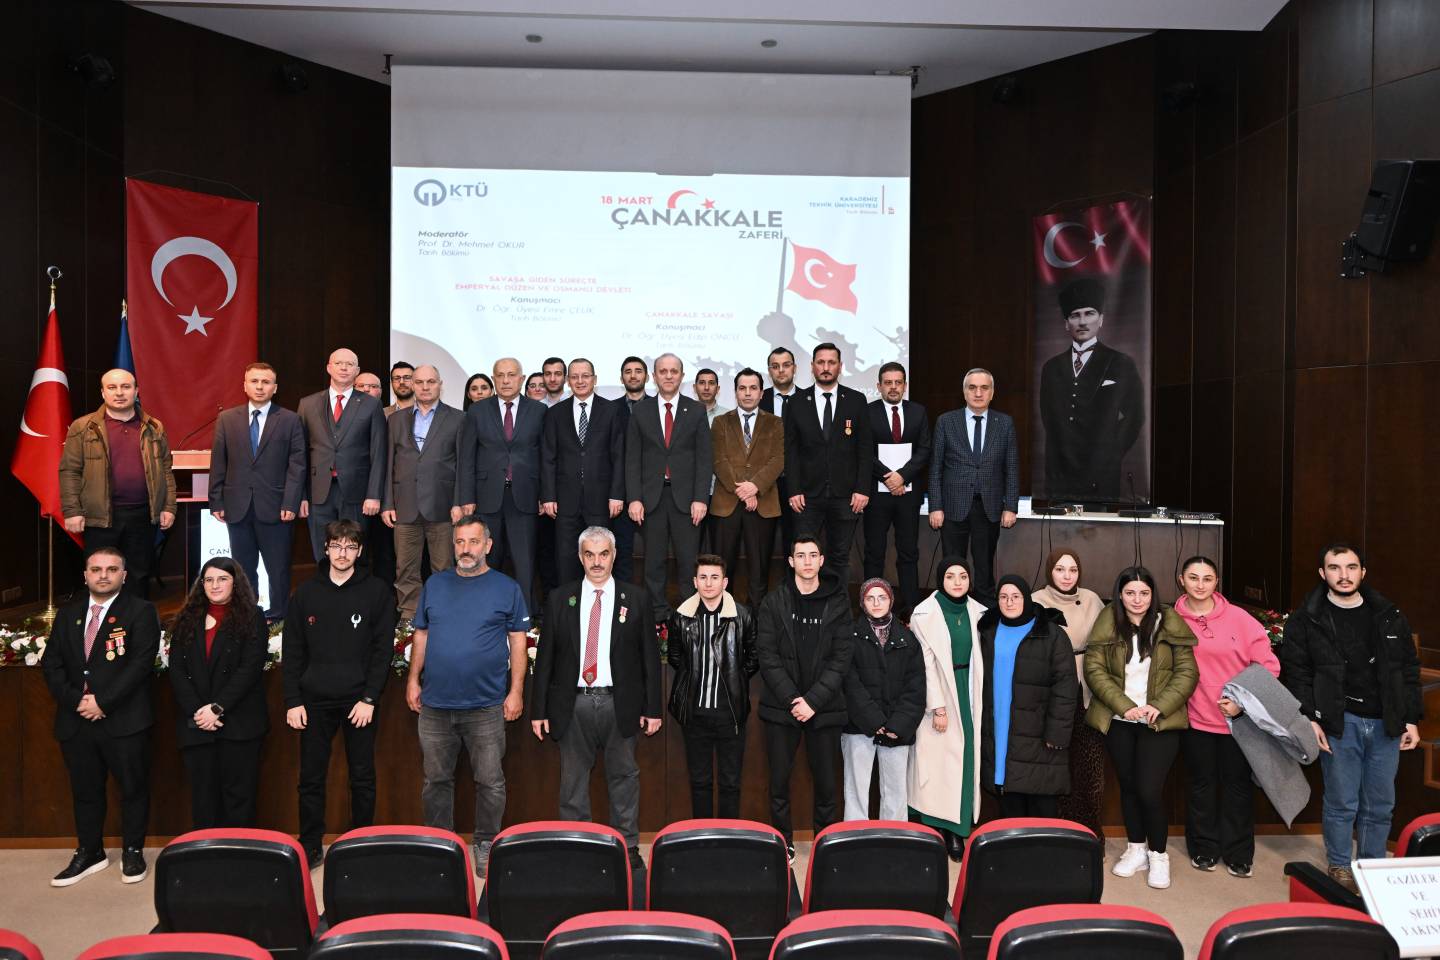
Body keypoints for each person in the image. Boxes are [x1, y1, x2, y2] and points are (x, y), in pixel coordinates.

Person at [1281, 543, 1423, 893]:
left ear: (1363, 572)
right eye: (1335, 568)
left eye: (1351, 567)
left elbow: (1407, 669)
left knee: (1380, 803)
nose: (1343, 575)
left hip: (1386, 722)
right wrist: (1311, 719)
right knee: (1342, 801)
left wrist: (1410, 718)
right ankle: (1341, 865)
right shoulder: (1306, 618)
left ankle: (1372, 867)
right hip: (1339, 721)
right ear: (1322, 573)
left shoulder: (1389, 615)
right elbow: (1297, 673)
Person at [406, 516, 530, 877]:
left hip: (486, 706)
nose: (466, 549)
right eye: (460, 542)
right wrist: (413, 680)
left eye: (473, 542)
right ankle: (440, 845)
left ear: (487, 545)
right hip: (435, 705)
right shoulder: (435, 584)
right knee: (435, 782)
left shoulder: (507, 588)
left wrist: (516, 691)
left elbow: (518, 642)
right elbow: (422, 635)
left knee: (490, 781)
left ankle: (486, 843)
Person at [531, 526, 662, 868]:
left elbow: (650, 658)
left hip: (621, 703)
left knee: (625, 778)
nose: (597, 562)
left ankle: (627, 847)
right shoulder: (561, 598)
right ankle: (578, 848)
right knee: (572, 782)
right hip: (573, 703)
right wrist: (538, 710)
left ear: (614, 556)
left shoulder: (636, 598)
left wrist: (653, 708)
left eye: (603, 554)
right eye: (589, 554)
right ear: (580, 557)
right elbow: (545, 658)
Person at [41, 546, 161, 887]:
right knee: (85, 791)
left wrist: (103, 702)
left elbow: (141, 664)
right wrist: (78, 701)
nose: (103, 575)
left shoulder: (141, 611)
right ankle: (90, 851)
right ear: (85, 575)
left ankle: (133, 851)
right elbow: (52, 664)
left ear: (124, 575)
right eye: (96, 569)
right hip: (76, 720)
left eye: (111, 569)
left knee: (133, 789)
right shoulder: (68, 614)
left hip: (124, 720)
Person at [281, 519, 396, 866]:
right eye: (336, 546)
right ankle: (311, 843)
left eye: (350, 547)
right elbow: (293, 651)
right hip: (314, 701)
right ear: (326, 548)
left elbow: (382, 651)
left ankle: (360, 843)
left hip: (359, 701)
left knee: (362, 777)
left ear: (359, 551)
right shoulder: (305, 593)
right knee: (311, 778)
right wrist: (293, 701)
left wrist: (370, 698)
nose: (342, 553)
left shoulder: (377, 592)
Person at [1083, 566, 1197, 890]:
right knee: (1129, 787)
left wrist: (1158, 706)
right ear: (1120, 595)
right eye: (1130, 593)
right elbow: (1094, 670)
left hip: (1159, 721)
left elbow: (1187, 672)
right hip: (1121, 720)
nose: (1137, 599)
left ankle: (1158, 854)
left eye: (1144, 593)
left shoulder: (1169, 621)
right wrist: (1125, 706)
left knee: (1149, 790)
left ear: (1153, 594)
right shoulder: (1108, 621)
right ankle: (1136, 849)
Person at [1173, 555, 1279, 879]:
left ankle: (1238, 854)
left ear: (1216, 582)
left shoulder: (1239, 618)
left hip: (1238, 720)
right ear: (1181, 580)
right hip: (1195, 719)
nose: (1200, 585)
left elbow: (1268, 666)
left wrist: (1242, 702)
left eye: (1207, 578)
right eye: (1193, 578)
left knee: (1237, 788)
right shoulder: (1171, 620)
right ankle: (1203, 849)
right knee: (1201, 786)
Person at [755, 536, 853, 862]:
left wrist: (813, 701)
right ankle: (782, 842)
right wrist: (794, 700)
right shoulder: (773, 602)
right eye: (801, 555)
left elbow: (842, 658)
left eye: (813, 555)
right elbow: (767, 657)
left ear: (822, 560)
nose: (807, 561)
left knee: (826, 785)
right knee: (778, 783)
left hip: (825, 708)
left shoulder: (838, 602)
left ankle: (825, 844)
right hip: (781, 708)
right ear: (791, 561)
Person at [167, 558, 269, 829]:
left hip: (239, 724)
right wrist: (199, 712)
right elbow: (177, 670)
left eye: (223, 579)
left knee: (239, 798)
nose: (215, 585)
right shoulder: (186, 619)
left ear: (236, 583)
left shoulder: (253, 617)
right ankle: (207, 853)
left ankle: (237, 853)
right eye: (209, 580)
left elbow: (250, 669)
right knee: (203, 799)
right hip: (198, 724)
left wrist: (217, 708)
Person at [59, 369, 177, 599]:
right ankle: (101, 621)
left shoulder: (154, 427)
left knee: (138, 576)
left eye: (126, 387)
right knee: (101, 576)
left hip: (143, 515)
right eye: (112, 387)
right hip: (100, 517)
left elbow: (165, 470)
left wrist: (169, 506)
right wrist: (72, 511)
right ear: (103, 393)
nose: (119, 393)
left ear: (136, 391)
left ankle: (134, 621)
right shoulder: (82, 427)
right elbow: (70, 471)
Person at [210, 362, 306, 622]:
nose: (260, 386)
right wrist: (216, 500)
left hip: (276, 507)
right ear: (245, 386)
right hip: (237, 506)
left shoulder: (290, 420)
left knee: (278, 568)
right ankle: (247, 617)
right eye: (254, 381)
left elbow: (297, 466)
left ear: (275, 388)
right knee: (242, 568)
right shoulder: (227, 419)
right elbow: (219, 462)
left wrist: (291, 502)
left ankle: (279, 618)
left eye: (265, 382)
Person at [666, 555, 758, 819]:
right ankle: (703, 837)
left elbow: (753, 658)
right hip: (694, 714)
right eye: (703, 577)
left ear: (725, 582)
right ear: (695, 581)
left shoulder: (742, 616)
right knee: (700, 782)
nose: (708, 583)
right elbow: (675, 657)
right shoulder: (681, 616)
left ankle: (728, 837)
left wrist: (735, 677)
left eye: (714, 577)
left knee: (730, 783)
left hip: (730, 714)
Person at [978, 575, 1077, 818]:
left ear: (1027, 598)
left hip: (1040, 735)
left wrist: (1057, 733)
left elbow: (1065, 687)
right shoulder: (987, 631)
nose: (1009, 602)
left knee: (1042, 810)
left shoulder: (1051, 634)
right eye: (1003, 597)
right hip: (1000, 730)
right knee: (1009, 809)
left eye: (1016, 596)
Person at [1038, 277, 1144, 502]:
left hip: (1101, 476)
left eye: (1089, 313)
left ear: (1101, 319)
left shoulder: (1121, 363)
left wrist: (1110, 453)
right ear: (1066, 323)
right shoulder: (1051, 368)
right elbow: (1049, 418)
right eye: (1075, 315)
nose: (1082, 322)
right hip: (1060, 476)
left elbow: (1135, 415)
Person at [908, 557, 987, 861]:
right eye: (951, 576)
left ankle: (957, 828)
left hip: (968, 689)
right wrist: (937, 707)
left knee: (964, 760)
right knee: (936, 764)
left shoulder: (978, 611)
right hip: (940, 693)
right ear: (940, 579)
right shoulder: (924, 613)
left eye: (963, 576)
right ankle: (936, 827)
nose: (957, 582)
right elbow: (925, 664)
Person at [625, 353, 713, 619]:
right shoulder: (641, 411)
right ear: (654, 376)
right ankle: (658, 617)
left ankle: (687, 617)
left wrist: (701, 498)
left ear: (682, 376)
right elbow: (632, 459)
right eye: (663, 371)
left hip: (687, 501)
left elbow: (704, 459)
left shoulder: (696, 410)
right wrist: (634, 498)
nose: (668, 376)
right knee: (653, 563)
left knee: (688, 562)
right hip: (651, 499)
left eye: (674, 371)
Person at [783, 342, 873, 587]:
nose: (826, 367)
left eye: (831, 362)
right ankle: (805, 607)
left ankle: (838, 609)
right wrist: (793, 489)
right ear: (812, 366)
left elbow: (865, 449)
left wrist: (862, 488)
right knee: (805, 558)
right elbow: (790, 451)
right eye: (821, 362)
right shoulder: (796, 402)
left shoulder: (856, 400)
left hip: (846, 496)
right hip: (806, 497)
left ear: (840, 366)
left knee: (840, 557)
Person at [458, 357, 545, 609]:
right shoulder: (477, 411)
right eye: (500, 375)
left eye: (511, 375)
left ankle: (524, 618)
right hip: (487, 497)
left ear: (522, 378)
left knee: (525, 563)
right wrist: (466, 497)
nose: (506, 380)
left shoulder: (538, 411)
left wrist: (546, 494)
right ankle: (485, 613)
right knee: (486, 560)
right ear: (494, 379)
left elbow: (546, 456)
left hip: (525, 496)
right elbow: (467, 457)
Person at [1031, 548, 1106, 838]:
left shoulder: (1092, 600)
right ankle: (1057, 833)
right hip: (1051, 693)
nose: (1066, 576)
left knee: (1088, 768)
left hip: (1088, 690)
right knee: (1054, 766)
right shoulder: (1035, 601)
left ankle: (1089, 833)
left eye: (1072, 570)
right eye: (1060, 569)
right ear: (1050, 570)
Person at [927, 368, 1018, 604]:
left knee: (984, 569)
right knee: (952, 569)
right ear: (964, 392)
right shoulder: (946, 421)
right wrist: (935, 506)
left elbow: (1011, 468)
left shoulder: (1004, 423)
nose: (978, 393)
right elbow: (935, 467)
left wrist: (1011, 506)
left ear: (992, 393)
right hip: (952, 508)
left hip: (988, 509)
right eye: (972, 387)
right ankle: (951, 613)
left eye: (984, 388)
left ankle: (985, 618)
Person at [382, 364, 464, 622]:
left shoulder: (458, 418)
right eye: (419, 382)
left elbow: (464, 465)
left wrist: (459, 502)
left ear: (440, 384)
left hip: (443, 506)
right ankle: (409, 618)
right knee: (405, 568)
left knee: (443, 567)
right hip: (404, 506)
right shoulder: (396, 420)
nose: (425, 387)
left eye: (431, 382)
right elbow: (388, 464)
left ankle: (443, 616)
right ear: (412, 385)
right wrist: (387, 503)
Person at [842, 578, 925, 821]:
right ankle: (855, 838)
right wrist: (873, 720)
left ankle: (894, 839)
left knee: (896, 794)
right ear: (862, 602)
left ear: (891, 600)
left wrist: (897, 725)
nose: (876, 603)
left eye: (882, 597)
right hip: (859, 727)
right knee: (855, 792)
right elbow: (849, 683)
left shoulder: (908, 639)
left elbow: (916, 688)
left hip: (897, 730)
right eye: (870, 598)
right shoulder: (849, 637)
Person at [297, 348, 387, 564]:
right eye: (339, 363)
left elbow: (379, 452)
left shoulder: (371, 404)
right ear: (329, 368)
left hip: (357, 493)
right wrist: (301, 496)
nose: (344, 368)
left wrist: (374, 494)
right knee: (322, 552)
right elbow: (299, 454)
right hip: (318, 493)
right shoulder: (307, 404)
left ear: (357, 370)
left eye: (350, 364)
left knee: (355, 552)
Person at [541, 358, 626, 583]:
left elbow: (619, 456)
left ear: (594, 379)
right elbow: (548, 458)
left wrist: (617, 494)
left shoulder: (611, 411)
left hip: (601, 500)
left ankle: (599, 601)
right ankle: (571, 603)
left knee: (600, 558)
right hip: (564, 502)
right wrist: (548, 496)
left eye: (585, 376)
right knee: (566, 559)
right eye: (575, 377)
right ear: (568, 381)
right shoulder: (555, 413)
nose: (580, 381)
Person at [863, 362, 931, 619]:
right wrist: (888, 477)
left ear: (905, 385)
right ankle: (871, 608)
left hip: (908, 495)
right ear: (879, 386)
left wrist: (902, 476)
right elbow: (863, 451)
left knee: (908, 552)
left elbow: (924, 449)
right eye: (888, 383)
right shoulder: (867, 412)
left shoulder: (918, 412)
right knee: (874, 552)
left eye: (898, 382)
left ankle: (911, 608)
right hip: (876, 496)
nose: (893, 387)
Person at [710, 368, 783, 606]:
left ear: (761, 393)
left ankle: (756, 621)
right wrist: (743, 491)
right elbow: (719, 460)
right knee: (722, 568)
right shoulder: (721, 422)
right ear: (735, 392)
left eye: (753, 388)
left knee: (759, 570)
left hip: (764, 503)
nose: (748, 393)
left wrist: (755, 487)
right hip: (726, 504)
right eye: (742, 388)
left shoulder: (775, 423)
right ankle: (723, 616)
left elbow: (778, 460)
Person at [611, 356, 650, 583]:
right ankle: (624, 598)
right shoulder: (610, 409)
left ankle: (651, 601)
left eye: (638, 371)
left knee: (654, 553)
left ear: (647, 376)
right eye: (628, 371)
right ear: (621, 378)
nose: (633, 375)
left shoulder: (658, 407)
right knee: (622, 552)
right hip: (620, 495)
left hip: (653, 492)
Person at [761, 346, 800, 562]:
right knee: (761, 544)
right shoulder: (759, 399)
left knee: (795, 542)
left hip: (799, 485)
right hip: (765, 483)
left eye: (786, 365)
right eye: (775, 366)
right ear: (769, 371)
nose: (781, 370)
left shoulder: (808, 398)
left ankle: (793, 584)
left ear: (795, 368)